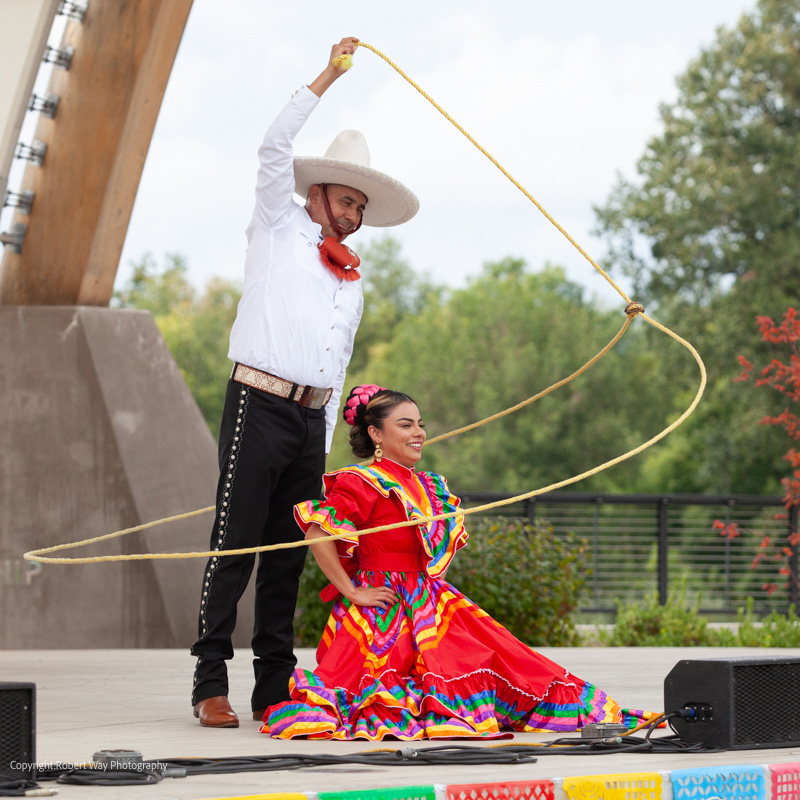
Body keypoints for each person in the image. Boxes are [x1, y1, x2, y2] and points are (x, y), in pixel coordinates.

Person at [190, 39, 420, 728]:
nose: (352, 214)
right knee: (235, 542)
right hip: (257, 401)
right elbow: (271, 146)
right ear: (317, 193)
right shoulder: (275, 223)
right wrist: (327, 76)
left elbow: (338, 357)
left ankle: (274, 686)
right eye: (346, 200)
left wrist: (322, 439)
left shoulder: (351, 276)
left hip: (307, 420)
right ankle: (209, 682)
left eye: (360, 207)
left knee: (292, 551)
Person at [260, 385, 657, 739]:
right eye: (405, 425)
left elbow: (437, 551)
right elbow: (318, 532)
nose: (418, 433)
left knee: (502, 656)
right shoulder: (360, 481)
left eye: (420, 424)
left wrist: (428, 585)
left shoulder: (430, 485)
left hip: (427, 597)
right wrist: (352, 591)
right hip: (381, 604)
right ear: (376, 434)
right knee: (387, 685)